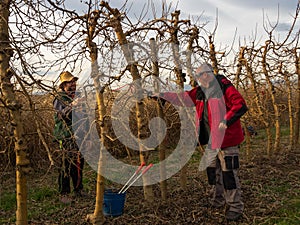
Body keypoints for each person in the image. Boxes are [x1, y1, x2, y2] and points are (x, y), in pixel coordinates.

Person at [158, 63, 248, 221]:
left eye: (199, 75)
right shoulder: (200, 91)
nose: (197, 79)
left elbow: (240, 104)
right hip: (211, 141)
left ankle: (235, 206)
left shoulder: (224, 86)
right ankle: (217, 200)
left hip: (227, 140)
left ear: (207, 74)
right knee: (213, 173)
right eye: (196, 76)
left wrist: (226, 121)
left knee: (229, 175)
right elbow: (184, 98)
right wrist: (163, 95)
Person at [53, 71, 85, 203]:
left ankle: (79, 190)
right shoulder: (59, 99)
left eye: (74, 82)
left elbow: (85, 118)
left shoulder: (77, 97)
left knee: (78, 165)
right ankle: (64, 193)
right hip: (65, 137)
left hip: (78, 137)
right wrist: (73, 105)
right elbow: (61, 115)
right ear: (63, 85)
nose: (73, 84)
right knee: (65, 165)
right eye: (70, 82)